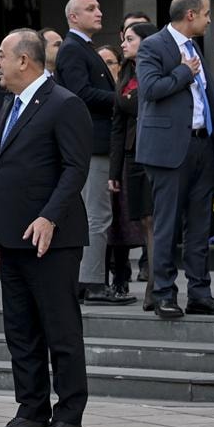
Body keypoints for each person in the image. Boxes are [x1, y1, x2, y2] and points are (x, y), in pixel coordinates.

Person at [0, 29, 92, 427]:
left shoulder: (65, 103)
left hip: (52, 240)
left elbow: (75, 168)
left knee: (60, 330)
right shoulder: (9, 103)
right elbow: (0, 171)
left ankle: (69, 417)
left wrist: (49, 217)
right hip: (11, 239)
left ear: (24, 61)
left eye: (1, 55)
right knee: (21, 331)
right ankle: (30, 411)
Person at [136, 0, 214, 318]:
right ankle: (164, 294)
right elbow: (150, 90)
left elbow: (211, 102)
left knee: (199, 225)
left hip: (203, 146)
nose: (210, 20)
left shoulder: (195, 48)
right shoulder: (153, 46)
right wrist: (183, 72)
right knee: (167, 225)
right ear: (190, 14)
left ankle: (200, 294)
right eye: (206, 14)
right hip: (168, 151)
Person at [55, 0, 134, 305]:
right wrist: (121, 99)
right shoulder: (73, 49)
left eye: (99, 7)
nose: (99, 12)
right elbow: (80, 94)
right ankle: (93, 284)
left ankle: (88, 282)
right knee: (97, 216)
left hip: (94, 143)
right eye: (91, 9)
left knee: (95, 215)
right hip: (92, 144)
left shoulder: (82, 48)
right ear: (73, 17)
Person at [110, 22, 159, 309]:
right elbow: (117, 126)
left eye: (130, 39)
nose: (123, 44)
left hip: (157, 153)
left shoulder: (158, 70)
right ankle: (156, 282)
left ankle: (156, 285)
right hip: (132, 156)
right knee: (143, 221)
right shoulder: (126, 74)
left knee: (153, 221)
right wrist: (114, 172)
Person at [97, 43, 143, 297]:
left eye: (110, 62)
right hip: (101, 158)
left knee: (122, 222)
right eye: (101, 63)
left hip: (125, 159)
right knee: (105, 222)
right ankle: (102, 276)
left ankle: (122, 274)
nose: (106, 67)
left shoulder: (130, 85)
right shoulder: (100, 91)